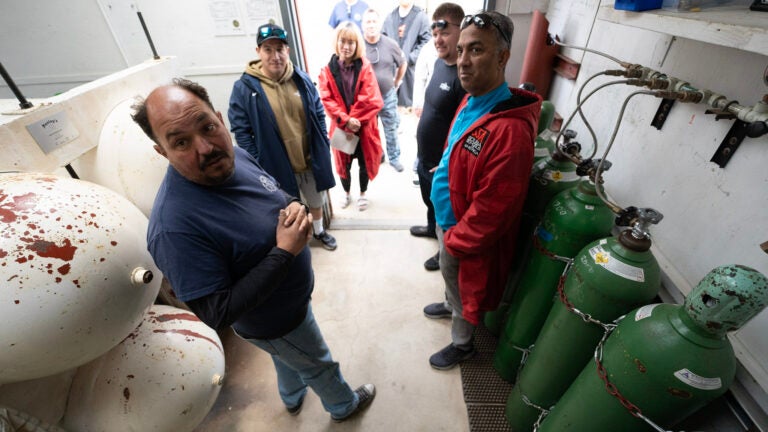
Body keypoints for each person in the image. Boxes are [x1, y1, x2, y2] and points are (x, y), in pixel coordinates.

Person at [131, 78, 376, 421]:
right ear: (162, 151)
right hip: (274, 322)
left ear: (219, 118)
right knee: (318, 362)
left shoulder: (236, 157)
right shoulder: (174, 227)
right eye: (181, 142)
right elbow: (216, 312)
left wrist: (294, 206)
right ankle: (343, 405)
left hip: (289, 308)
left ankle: (291, 396)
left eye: (208, 127)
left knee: (287, 356)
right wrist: (284, 252)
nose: (206, 148)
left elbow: (274, 194)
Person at [423, 11, 542, 370]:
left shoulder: (511, 131)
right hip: (449, 222)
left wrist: (457, 240)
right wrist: (445, 167)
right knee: (450, 280)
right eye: (460, 51)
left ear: (502, 57)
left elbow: (495, 207)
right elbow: (459, 143)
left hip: (465, 233)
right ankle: (449, 304)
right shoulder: (473, 99)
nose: (462, 62)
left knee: (463, 289)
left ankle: (462, 345)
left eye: (476, 50)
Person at [228, 23, 338, 252]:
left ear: (288, 50)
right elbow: (241, 130)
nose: (275, 56)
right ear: (258, 52)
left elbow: (317, 111)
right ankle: (298, 244)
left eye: (280, 49)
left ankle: (318, 231)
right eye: (268, 49)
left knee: (316, 201)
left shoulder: (301, 78)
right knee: (286, 207)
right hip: (275, 164)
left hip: (308, 159)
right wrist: (257, 162)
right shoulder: (244, 88)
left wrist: (323, 144)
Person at [410, 3, 467, 273]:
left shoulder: (464, 76)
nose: (438, 39)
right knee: (428, 201)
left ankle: (441, 248)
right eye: (434, 34)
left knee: (443, 210)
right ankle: (431, 230)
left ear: (461, 30)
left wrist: (446, 163)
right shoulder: (438, 63)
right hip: (425, 157)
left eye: (444, 32)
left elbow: (464, 129)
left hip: (440, 165)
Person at [318, 21, 384, 211]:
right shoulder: (327, 70)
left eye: (351, 42)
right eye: (343, 41)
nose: (346, 47)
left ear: (357, 45)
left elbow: (371, 98)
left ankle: (363, 193)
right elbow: (327, 99)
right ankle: (346, 193)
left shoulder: (364, 67)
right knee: (343, 166)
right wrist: (346, 121)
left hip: (363, 128)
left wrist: (354, 120)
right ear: (337, 42)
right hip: (342, 127)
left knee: (364, 163)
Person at [362, 8, 407, 173]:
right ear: (363, 25)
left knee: (391, 128)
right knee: (370, 130)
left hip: (387, 94)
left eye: (374, 21)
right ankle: (378, 155)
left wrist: (397, 81)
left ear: (379, 24)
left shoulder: (390, 44)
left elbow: (403, 63)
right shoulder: (359, 45)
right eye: (368, 22)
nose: (371, 25)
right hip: (367, 98)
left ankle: (394, 158)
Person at [381, 0, 432, 108]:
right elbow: (382, 41)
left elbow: (427, 42)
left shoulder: (421, 17)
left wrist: (410, 58)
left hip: (411, 76)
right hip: (391, 77)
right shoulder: (390, 18)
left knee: (409, 113)